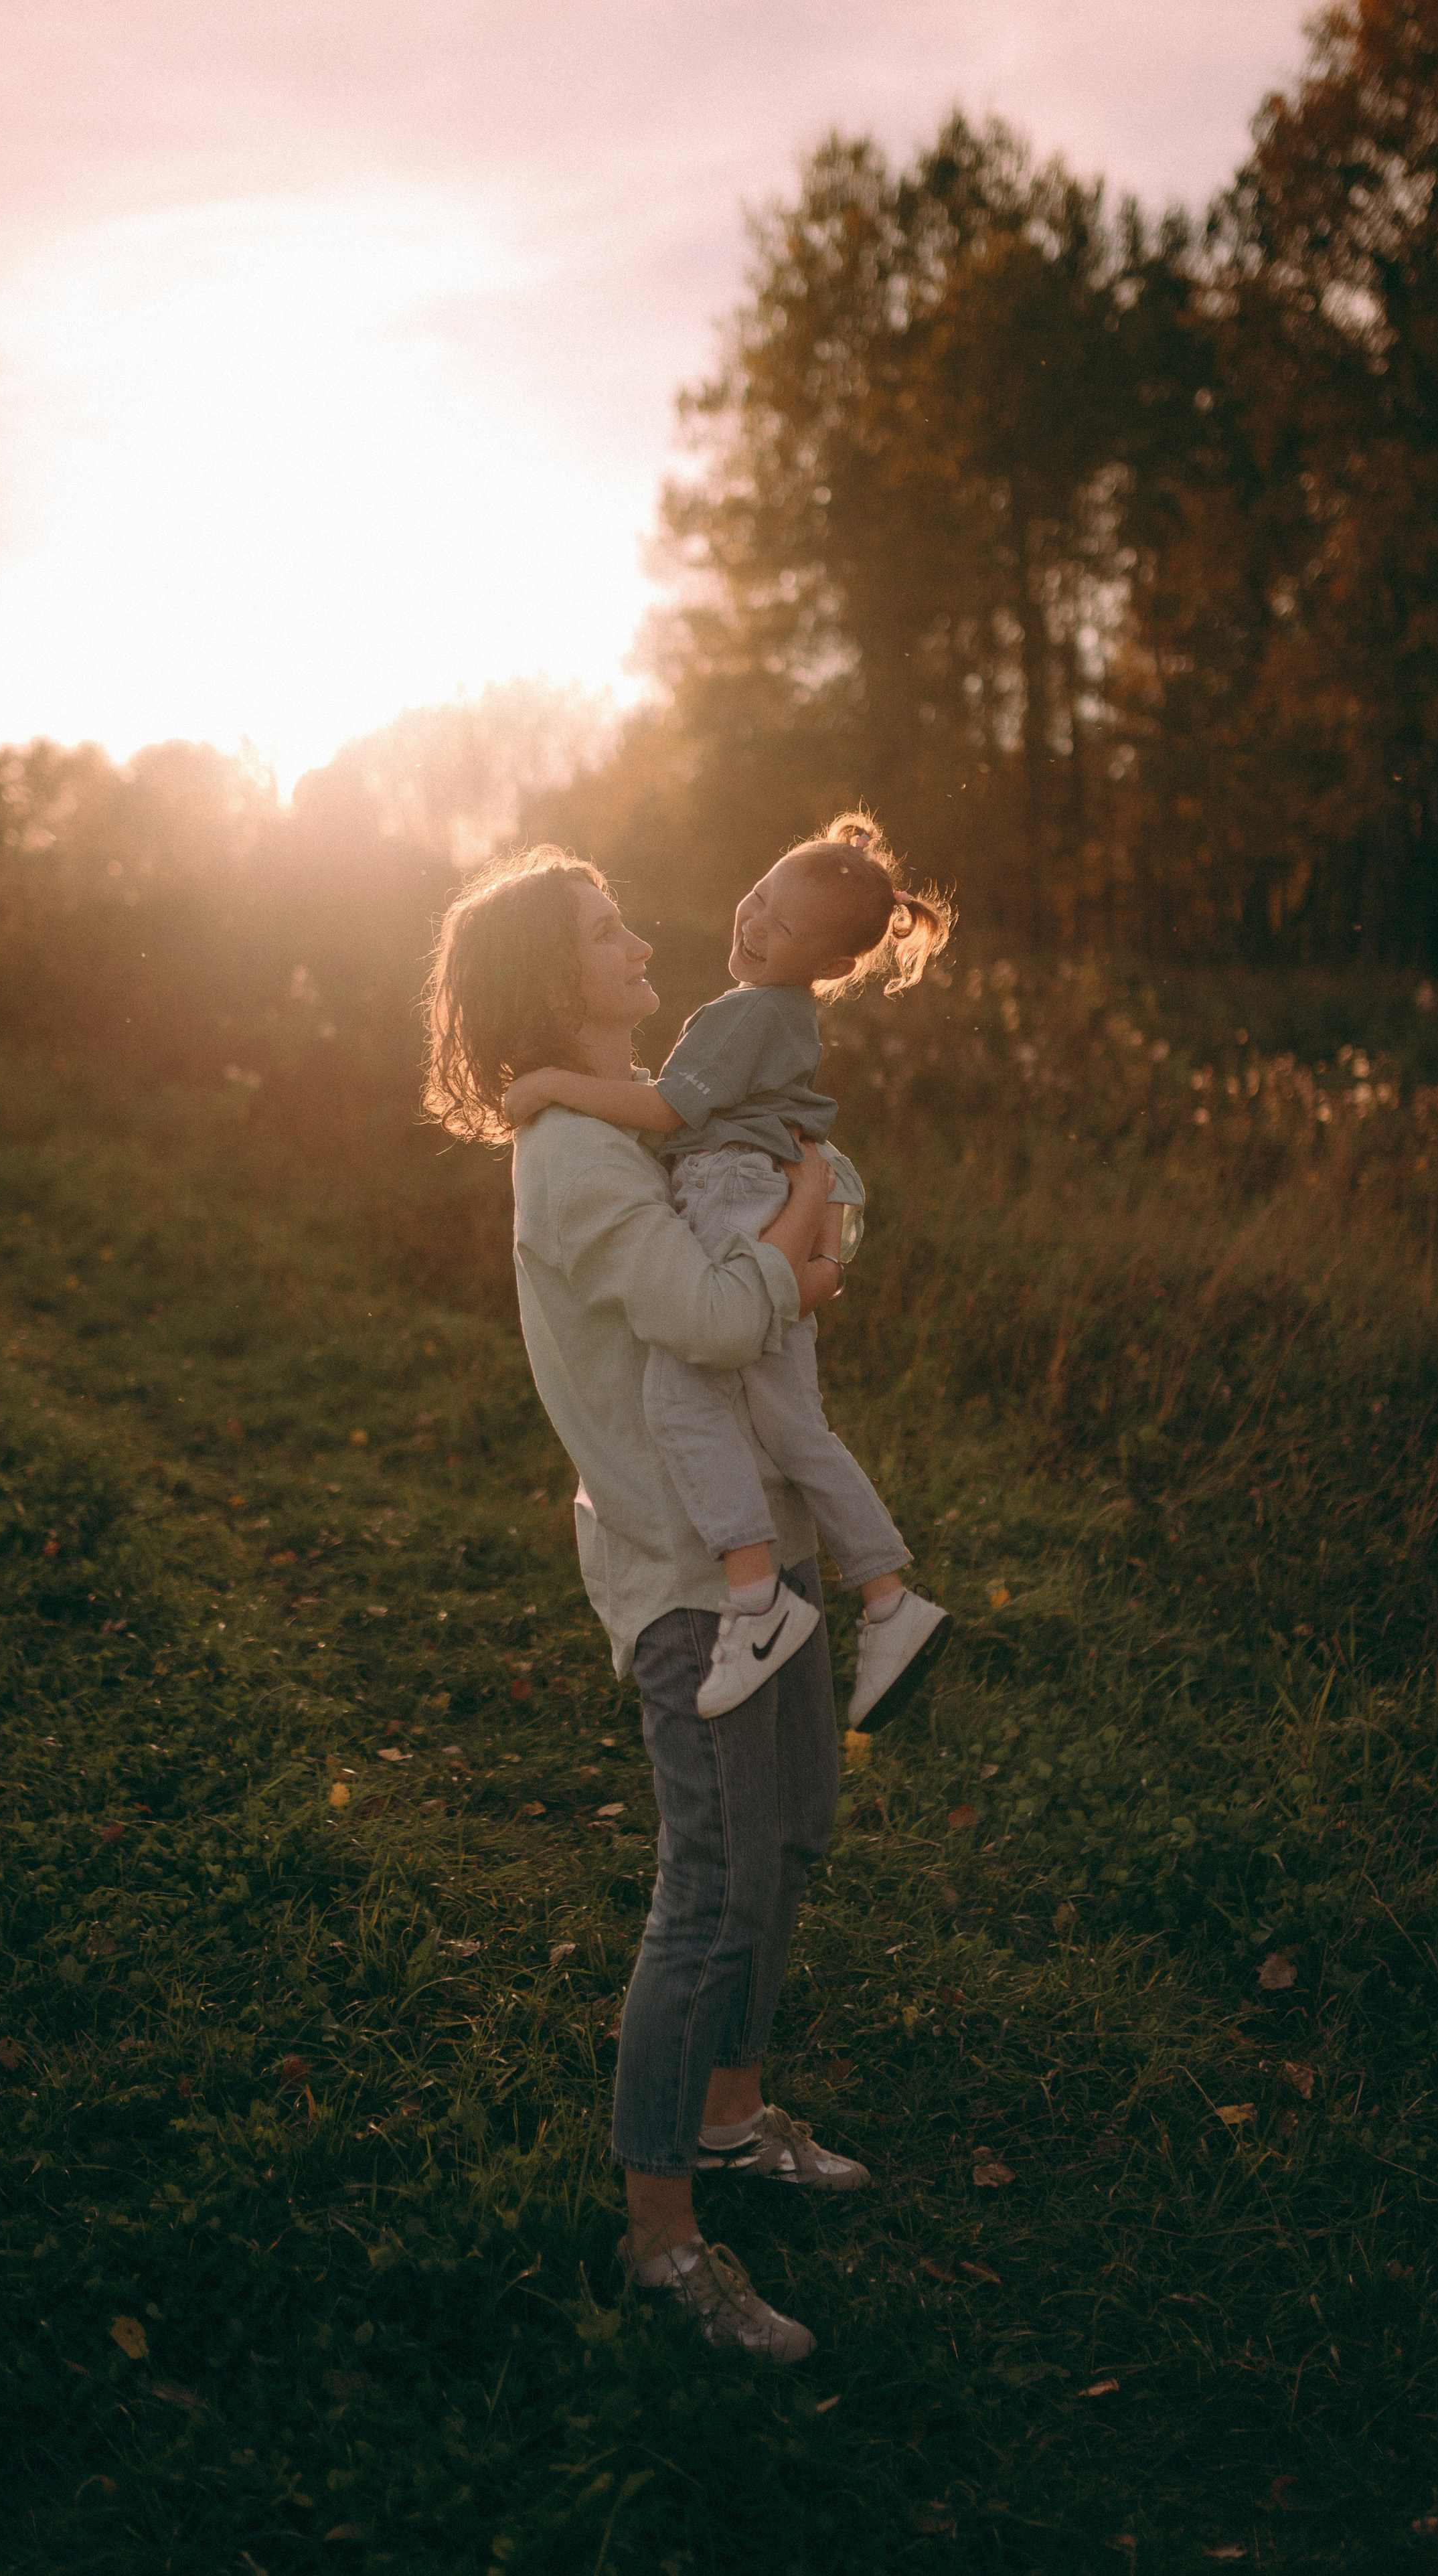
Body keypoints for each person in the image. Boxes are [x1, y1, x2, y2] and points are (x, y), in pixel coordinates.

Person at [422, 845, 880, 2365]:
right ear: (552, 980)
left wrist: (811, 1214)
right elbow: (711, 1308)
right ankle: (660, 2235)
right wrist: (802, 1233)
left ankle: (735, 2120)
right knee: (710, 1889)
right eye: (606, 930)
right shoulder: (570, 1155)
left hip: (771, 1530)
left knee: (794, 1826)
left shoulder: (684, 1106)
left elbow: (829, 1221)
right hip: (691, 1574)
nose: (642, 941)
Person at [502, 812, 953, 1730]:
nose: (750, 924)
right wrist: (818, 1237)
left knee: (684, 1396)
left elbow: (668, 1111)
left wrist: (549, 1087)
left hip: (729, 1200)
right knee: (797, 1428)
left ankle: (756, 1602)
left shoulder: (738, 1014)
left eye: (780, 925)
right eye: (757, 899)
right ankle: (888, 1598)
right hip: (759, 1192)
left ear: (825, 962)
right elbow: (821, 1155)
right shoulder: (785, 1018)